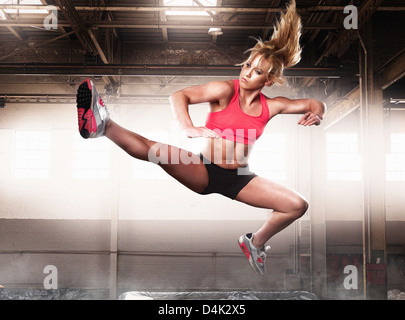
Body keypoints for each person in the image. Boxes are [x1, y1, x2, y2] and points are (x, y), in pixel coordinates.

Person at [75, 0, 326, 276]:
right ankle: (104, 124)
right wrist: (188, 127)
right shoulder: (224, 90)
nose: (246, 73)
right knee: (154, 151)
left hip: (241, 177)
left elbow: (314, 103)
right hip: (204, 169)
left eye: (256, 71)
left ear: (267, 80)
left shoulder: (273, 105)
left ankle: (254, 243)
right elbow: (178, 95)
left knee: (298, 205)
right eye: (247, 64)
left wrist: (318, 113)